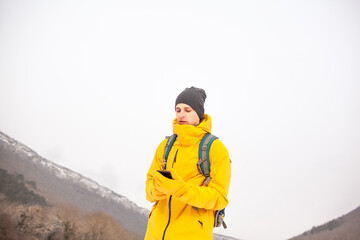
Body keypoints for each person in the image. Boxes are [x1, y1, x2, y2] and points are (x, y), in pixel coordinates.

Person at [144, 87, 231, 240]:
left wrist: (180, 190)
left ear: (198, 113)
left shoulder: (215, 148)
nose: (181, 114)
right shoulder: (165, 146)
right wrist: (159, 188)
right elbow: (149, 189)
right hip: (154, 233)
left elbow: (219, 197)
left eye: (187, 110)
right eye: (178, 110)